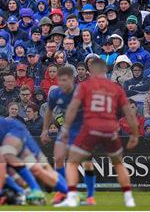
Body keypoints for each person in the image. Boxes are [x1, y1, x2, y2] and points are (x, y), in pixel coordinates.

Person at [58, 58, 138, 207]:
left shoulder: (85, 86)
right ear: (105, 71)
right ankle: (129, 199)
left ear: (91, 71)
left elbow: (73, 108)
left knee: (72, 162)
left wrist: (66, 129)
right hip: (111, 129)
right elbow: (129, 112)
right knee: (119, 164)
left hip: (91, 128)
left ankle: (72, 197)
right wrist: (134, 133)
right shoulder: (116, 88)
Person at [41, 65, 97, 205]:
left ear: (72, 80)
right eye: (59, 80)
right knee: (58, 158)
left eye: (64, 80)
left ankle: (90, 197)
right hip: (66, 131)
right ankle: (63, 192)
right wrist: (44, 130)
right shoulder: (55, 93)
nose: (61, 83)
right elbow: (49, 111)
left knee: (87, 164)